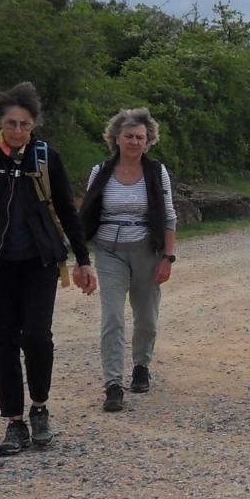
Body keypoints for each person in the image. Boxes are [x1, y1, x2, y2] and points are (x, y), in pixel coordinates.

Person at [0, 82, 97, 456]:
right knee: (3, 342)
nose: (17, 131)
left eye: (25, 124)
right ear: (0, 122)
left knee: (36, 337)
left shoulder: (46, 158)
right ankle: (15, 422)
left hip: (39, 262)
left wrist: (82, 259)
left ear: (34, 125)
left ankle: (40, 408)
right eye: (11, 123)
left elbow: (67, 210)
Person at [80, 107, 178, 414]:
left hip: (147, 250)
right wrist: (80, 258)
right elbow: (87, 214)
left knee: (146, 317)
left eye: (140, 137)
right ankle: (112, 384)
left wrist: (167, 258)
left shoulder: (156, 172)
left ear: (148, 141)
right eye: (129, 136)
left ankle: (141, 366)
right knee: (112, 317)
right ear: (116, 138)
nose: (134, 142)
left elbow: (170, 216)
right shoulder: (101, 172)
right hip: (108, 251)